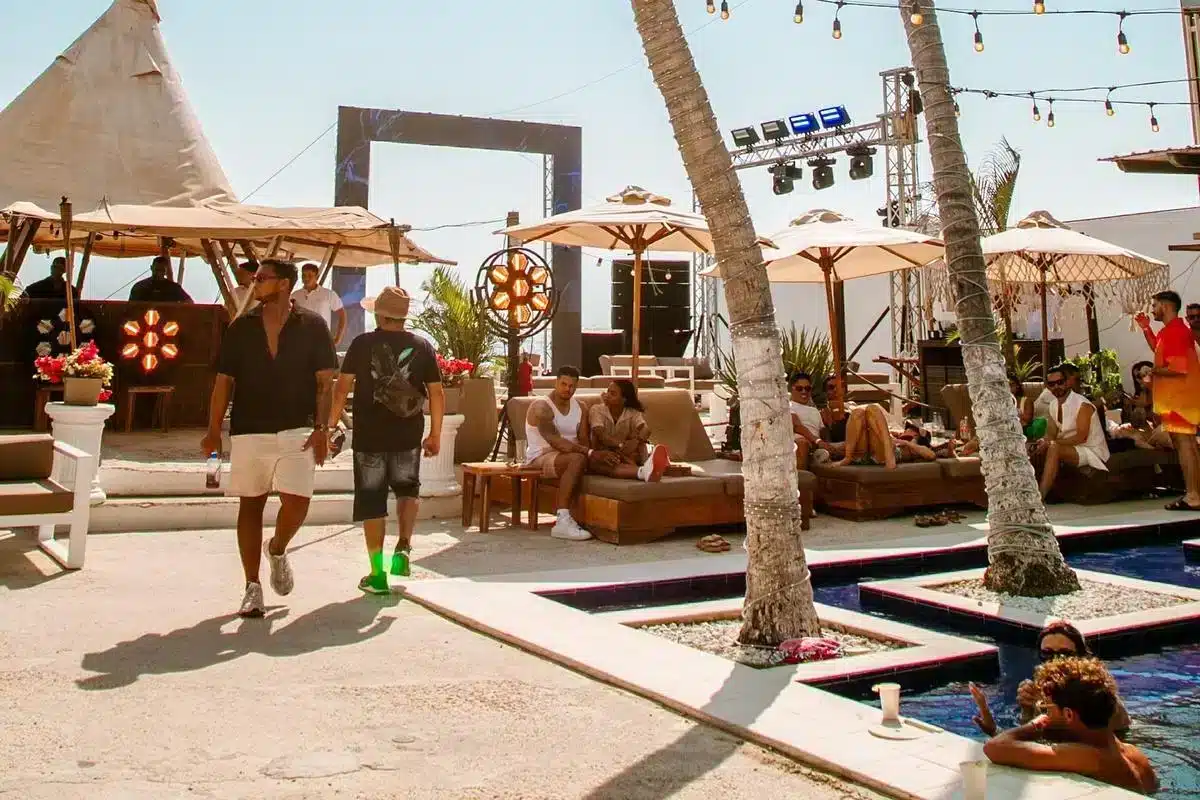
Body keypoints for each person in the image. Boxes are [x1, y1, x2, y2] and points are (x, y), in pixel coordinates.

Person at [201, 258, 338, 618]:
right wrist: (213, 430)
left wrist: (323, 429)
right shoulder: (241, 328)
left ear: (283, 284)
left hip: (298, 427)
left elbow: (325, 383)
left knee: (298, 503)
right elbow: (223, 382)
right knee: (250, 504)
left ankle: (277, 548)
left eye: (262, 278)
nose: (255, 283)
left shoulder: (313, 325)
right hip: (250, 427)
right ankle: (252, 586)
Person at [329, 286, 442, 594]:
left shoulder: (362, 344)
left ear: (379, 314)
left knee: (372, 501)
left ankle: (377, 574)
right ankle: (403, 548)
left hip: (370, 436)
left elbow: (341, 389)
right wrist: (435, 434)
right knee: (407, 489)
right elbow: (436, 393)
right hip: (408, 434)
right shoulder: (422, 346)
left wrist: (330, 426)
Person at [983, 657, 1157, 795]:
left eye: (1046, 708)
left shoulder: (1089, 757)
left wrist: (1035, 725)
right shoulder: (1134, 754)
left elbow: (994, 747)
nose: (1044, 713)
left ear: (1068, 714)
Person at [970, 621, 1130, 737]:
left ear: (1082, 657)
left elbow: (1097, 742)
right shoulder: (1041, 693)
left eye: (1064, 654)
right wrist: (1026, 710)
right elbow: (1030, 742)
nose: (1055, 660)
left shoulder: (1099, 695)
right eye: (1047, 653)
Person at [1135, 290, 1200, 510]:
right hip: (1177, 399)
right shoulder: (1170, 330)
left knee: (1185, 445)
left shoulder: (1177, 331)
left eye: (1154, 306)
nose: (1152, 310)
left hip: (1179, 400)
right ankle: (1195, 493)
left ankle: (1193, 496)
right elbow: (1158, 348)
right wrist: (1146, 328)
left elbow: (1178, 368)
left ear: (1165, 306)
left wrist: (1152, 371)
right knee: (1188, 445)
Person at [523, 366, 592, 542]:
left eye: (572, 386)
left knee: (601, 458)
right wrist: (588, 453)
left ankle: (641, 472)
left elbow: (584, 440)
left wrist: (595, 455)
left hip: (571, 455)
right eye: (563, 384)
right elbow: (556, 442)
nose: (567, 389)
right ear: (556, 383)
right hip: (541, 457)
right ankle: (562, 520)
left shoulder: (581, 407)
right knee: (577, 459)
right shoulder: (541, 407)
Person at [1034, 364, 1109, 500]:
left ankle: (1040, 496)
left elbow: (1081, 437)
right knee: (1035, 447)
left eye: (1060, 382)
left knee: (1054, 448)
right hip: (1070, 447)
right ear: (1048, 387)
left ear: (1067, 382)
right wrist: (1044, 441)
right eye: (1052, 384)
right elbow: (1051, 432)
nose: (1056, 387)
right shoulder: (1053, 405)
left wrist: (1051, 443)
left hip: (1091, 450)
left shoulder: (1082, 404)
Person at [585, 379, 670, 482]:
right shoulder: (597, 409)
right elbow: (601, 434)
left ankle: (646, 468)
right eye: (608, 391)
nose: (607, 395)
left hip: (624, 453)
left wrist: (636, 441)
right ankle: (644, 470)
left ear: (624, 399)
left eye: (612, 394)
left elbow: (645, 429)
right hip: (601, 452)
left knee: (639, 444)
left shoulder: (632, 412)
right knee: (610, 461)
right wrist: (621, 445)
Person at [830, 403, 936, 468]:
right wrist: (892, 436)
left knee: (873, 409)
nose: (907, 430)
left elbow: (931, 455)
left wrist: (906, 443)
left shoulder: (914, 443)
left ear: (916, 434)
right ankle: (848, 457)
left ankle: (889, 456)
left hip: (882, 455)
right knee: (858, 412)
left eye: (911, 429)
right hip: (865, 452)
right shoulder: (897, 434)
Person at [1111, 361, 1171, 451]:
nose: (1138, 380)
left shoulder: (1161, 391)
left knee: (1159, 432)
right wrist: (1130, 407)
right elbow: (1138, 424)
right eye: (1136, 377)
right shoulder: (1143, 394)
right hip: (1153, 432)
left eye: (1140, 376)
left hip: (1167, 431)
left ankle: (1153, 448)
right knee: (1123, 432)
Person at [291, 262, 346, 347]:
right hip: (300, 341)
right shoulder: (295, 295)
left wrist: (338, 338)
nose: (306, 278)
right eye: (304, 275)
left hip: (322, 340)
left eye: (310, 276)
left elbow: (342, 314)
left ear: (317, 277)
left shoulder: (328, 294)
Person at [788, 371, 825, 470]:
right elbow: (797, 426)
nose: (804, 391)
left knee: (846, 445)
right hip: (800, 443)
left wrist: (829, 445)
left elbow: (822, 431)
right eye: (799, 388)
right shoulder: (788, 406)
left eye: (807, 388)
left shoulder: (815, 411)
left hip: (816, 446)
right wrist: (817, 440)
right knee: (802, 443)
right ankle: (802, 478)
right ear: (792, 389)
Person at [129, 255, 193, 303]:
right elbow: (130, 306)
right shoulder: (139, 287)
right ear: (151, 268)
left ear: (166, 270)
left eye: (162, 270)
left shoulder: (174, 288)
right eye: (157, 270)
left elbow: (189, 302)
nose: (159, 273)